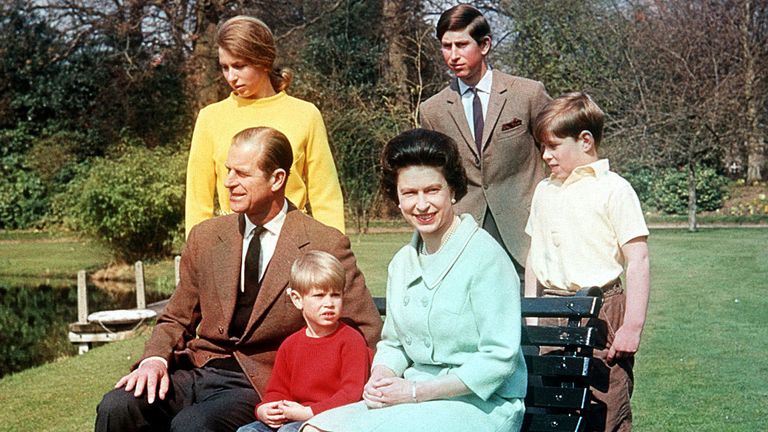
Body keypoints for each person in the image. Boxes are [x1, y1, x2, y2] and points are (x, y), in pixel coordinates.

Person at [95, 127, 382, 432]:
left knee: (193, 426)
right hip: (196, 369)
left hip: (260, 385)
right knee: (118, 406)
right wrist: (154, 360)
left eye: (242, 173)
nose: (229, 181)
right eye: (228, 170)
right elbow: (176, 317)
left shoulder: (324, 242)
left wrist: (339, 401)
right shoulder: (205, 237)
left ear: (277, 179)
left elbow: (366, 331)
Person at [303, 129, 526, 432]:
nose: (421, 205)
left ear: (453, 191)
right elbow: (394, 344)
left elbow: (499, 359)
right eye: (409, 193)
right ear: (396, 198)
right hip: (411, 399)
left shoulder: (486, 257)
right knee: (315, 428)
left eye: (432, 190)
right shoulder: (402, 263)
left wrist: (414, 392)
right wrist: (381, 376)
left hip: (480, 405)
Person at [524, 92, 651, 432]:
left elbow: (637, 259)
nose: (545, 155)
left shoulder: (615, 189)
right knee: (550, 407)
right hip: (551, 308)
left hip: (602, 310)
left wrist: (632, 327)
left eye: (553, 146)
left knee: (606, 405)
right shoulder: (544, 191)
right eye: (542, 147)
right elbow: (533, 258)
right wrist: (533, 315)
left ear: (585, 141)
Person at [420, 4, 551, 279]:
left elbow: (558, 152)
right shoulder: (432, 111)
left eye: (461, 45)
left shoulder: (527, 94)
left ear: (485, 45)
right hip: (465, 237)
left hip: (528, 233)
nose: (453, 55)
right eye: (446, 46)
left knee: (533, 320)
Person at [185, 15, 344, 237]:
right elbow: (197, 201)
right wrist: (198, 255)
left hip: (294, 241)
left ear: (264, 61)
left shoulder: (306, 115)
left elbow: (326, 196)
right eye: (225, 67)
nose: (231, 76)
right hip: (233, 242)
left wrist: (333, 254)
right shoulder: (210, 118)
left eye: (239, 66)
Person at [237, 250, 371, 432]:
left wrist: (309, 412)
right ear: (297, 299)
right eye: (319, 295)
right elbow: (278, 390)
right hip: (296, 415)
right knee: (247, 431)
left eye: (335, 295)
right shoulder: (290, 345)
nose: (329, 303)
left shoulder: (351, 340)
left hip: (335, 418)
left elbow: (351, 394)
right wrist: (265, 409)